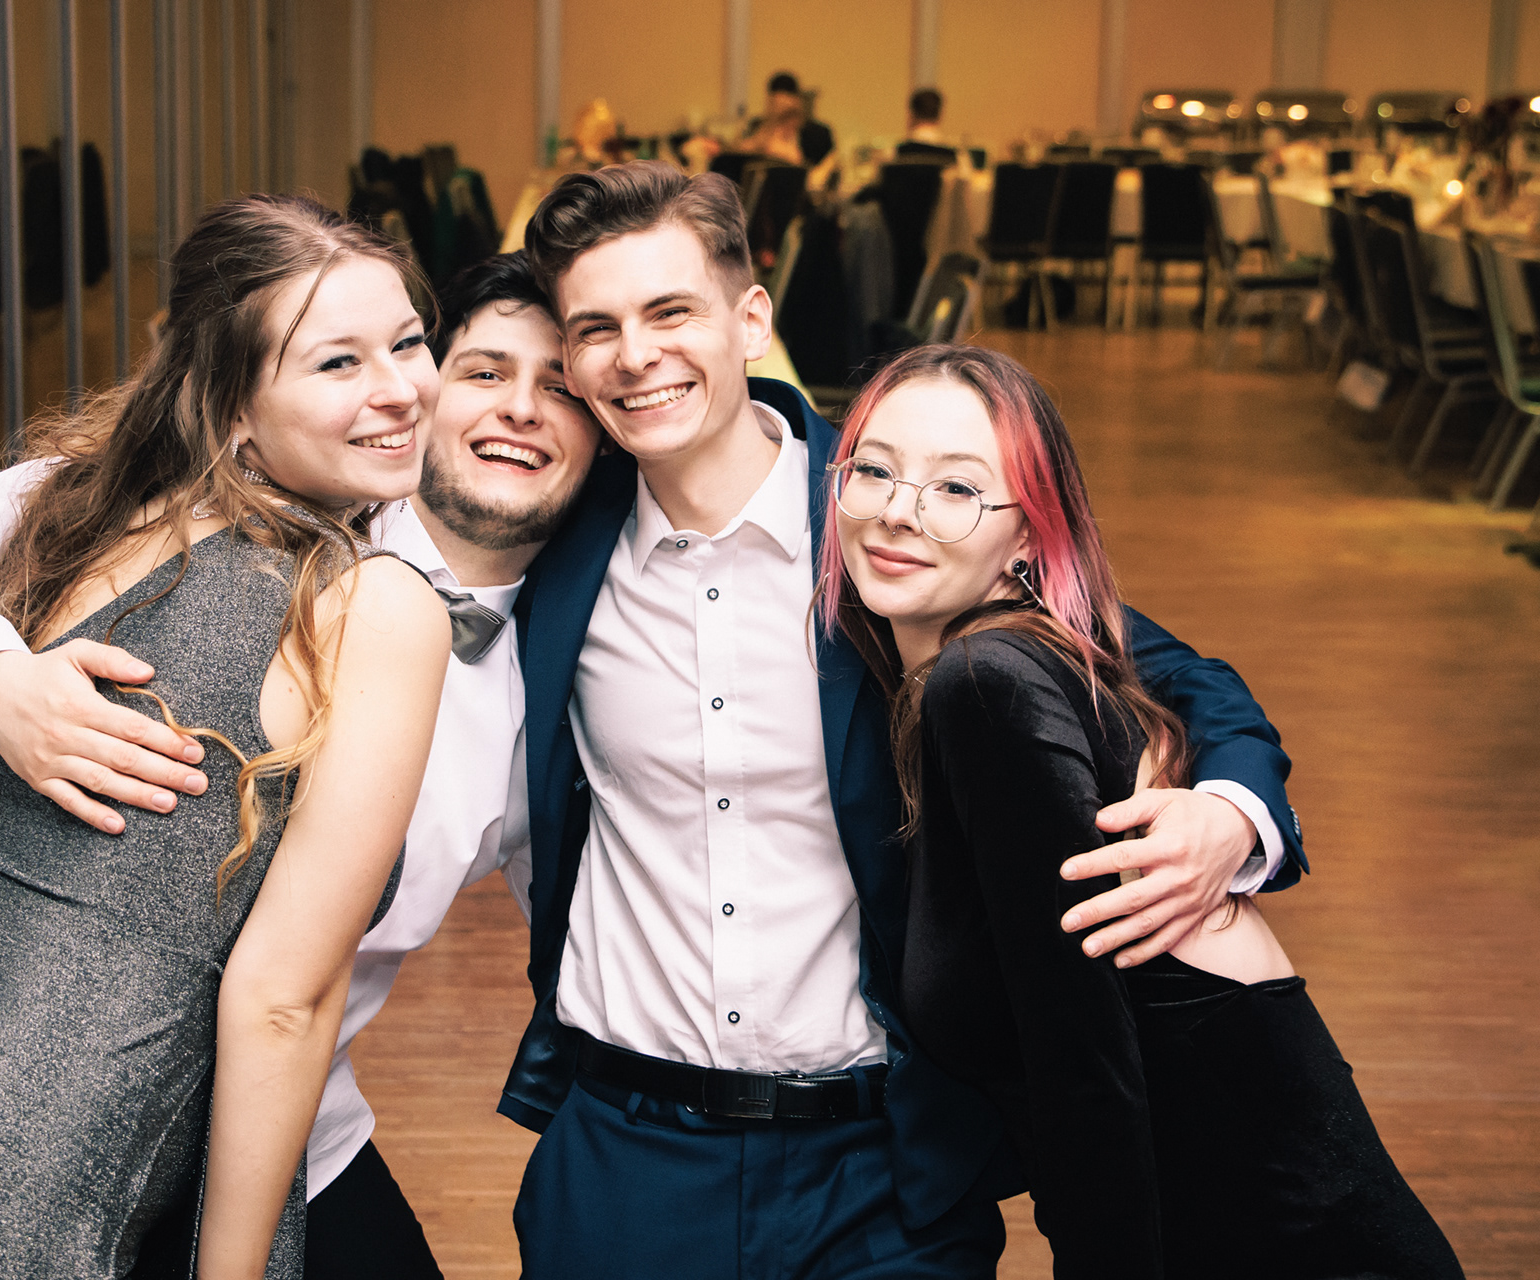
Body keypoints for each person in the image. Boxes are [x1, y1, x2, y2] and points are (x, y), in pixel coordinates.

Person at [504, 159, 1307, 1277]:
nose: (636, 355)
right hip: (628, 1156)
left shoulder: (889, 512)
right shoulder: (551, 540)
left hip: (882, 1168)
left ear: (750, 319)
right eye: (598, 328)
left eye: (671, 311)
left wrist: (1232, 812)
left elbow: (1179, 674)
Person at [0, 250, 606, 1277]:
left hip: (291, 1131)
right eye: (484, 370)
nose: (521, 408)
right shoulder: (216, 507)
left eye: (563, 388)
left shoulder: (568, 686)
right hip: (37, 1113)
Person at [0, 193, 455, 1279]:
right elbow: (281, 1001)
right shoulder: (374, 605)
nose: (399, 387)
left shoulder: (98, 511)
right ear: (232, 407)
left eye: (406, 341)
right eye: (337, 363)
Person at [822, 343, 1463, 1279]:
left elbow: (1085, 1072)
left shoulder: (986, 684)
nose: (897, 510)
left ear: (1030, 536)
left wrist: (1236, 810)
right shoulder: (980, 663)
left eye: (957, 488)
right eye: (874, 471)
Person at [743, 71, 834, 168]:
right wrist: (768, 127)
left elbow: (826, 167)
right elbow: (742, 151)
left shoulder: (818, 134)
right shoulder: (757, 126)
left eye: (789, 113)